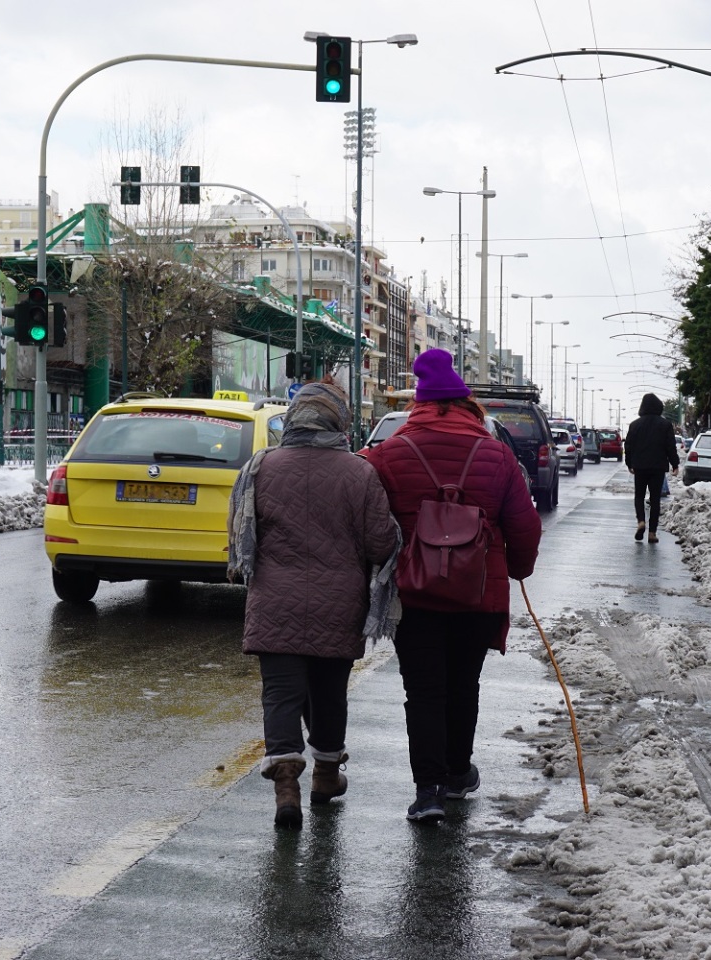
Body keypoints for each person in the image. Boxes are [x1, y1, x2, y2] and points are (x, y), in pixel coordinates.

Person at [364, 348, 542, 824]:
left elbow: (367, 517)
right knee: (465, 683)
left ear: (419, 403)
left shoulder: (390, 453)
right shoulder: (496, 453)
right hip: (477, 591)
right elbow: (524, 523)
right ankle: (459, 774)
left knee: (423, 691)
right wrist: (519, 568)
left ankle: (428, 792)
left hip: (415, 591)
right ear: (465, 402)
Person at [227, 381, 400, 831]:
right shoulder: (359, 473)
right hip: (338, 604)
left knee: (281, 693)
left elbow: (245, 536)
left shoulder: (261, 468)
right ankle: (325, 777)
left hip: (274, 601)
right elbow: (381, 543)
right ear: (339, 420)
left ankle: (286, 788)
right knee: (328, 693)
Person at [623, 392, 679, 543]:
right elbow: (670, 446)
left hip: (640, 466)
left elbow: (628, 446)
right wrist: (675, 464)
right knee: (655, 499)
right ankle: (652, 533)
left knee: (639, 496)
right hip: (658, 467)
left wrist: (629, 463)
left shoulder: (635, 425)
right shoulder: (665, 425)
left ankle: (641, 521)